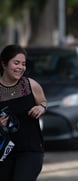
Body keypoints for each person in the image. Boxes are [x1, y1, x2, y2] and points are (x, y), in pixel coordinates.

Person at [0, 44, 47, 181]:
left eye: (23, 64)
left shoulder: (30, 85)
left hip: (30, 150)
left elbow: (43, 101)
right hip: (3, 152)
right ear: (4, 64)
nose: (20, 67)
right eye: (16, 63)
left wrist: (41, 108)